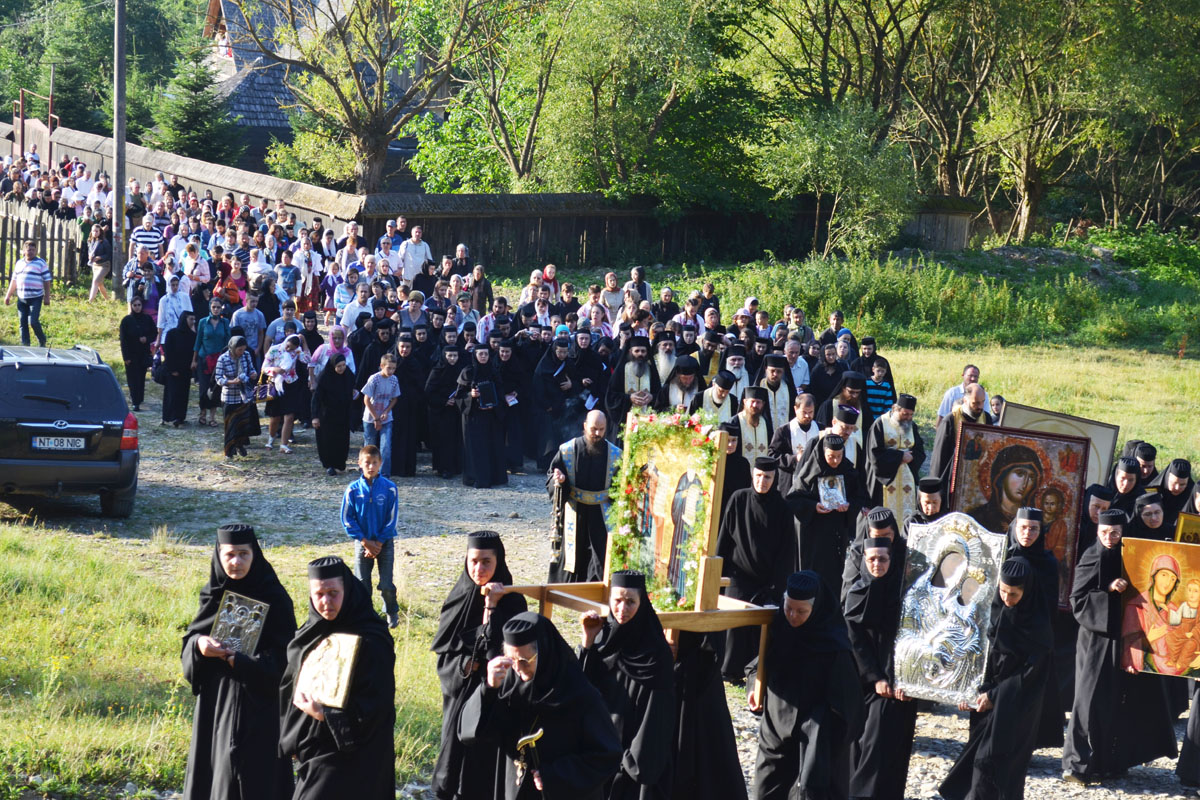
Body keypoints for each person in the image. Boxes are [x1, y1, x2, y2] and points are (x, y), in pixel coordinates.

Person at [182, 524, 296, 800]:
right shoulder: (213, 595)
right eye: (230, 554)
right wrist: (199, 646)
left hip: (260, 708)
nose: (237, 562)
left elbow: (289, 659)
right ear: (219, 555)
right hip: (216, 705)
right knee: (215, 776)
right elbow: (190, 643)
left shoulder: (275, 598)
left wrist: (247, 663)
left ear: (255, 554)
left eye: (244, 554)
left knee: (258, 781)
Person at [1062, 509, 1177, 783]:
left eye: (1115, 533)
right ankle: (1075, 765)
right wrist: (1108, 591)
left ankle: (1109, 762)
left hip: (1124, 640)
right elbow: (1077, 599)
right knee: (1086, 701)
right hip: (1095, 641)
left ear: (1123, 531)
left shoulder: (1131, 555)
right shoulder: (1091, 556)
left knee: (1116, 700)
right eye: (1104, 533)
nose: (1110, 538)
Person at [458, 612, 623, 799]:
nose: (518, 669)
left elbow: (608, 755)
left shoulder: (581, 696)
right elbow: (470, 733)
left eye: (524, 661)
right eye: (511, 661)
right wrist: (488, 688)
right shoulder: (508, 685)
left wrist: (556, 775)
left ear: (543, 654)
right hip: (515, 786)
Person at [279, 556, 395, 799]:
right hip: (313, 750)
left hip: (357, 759)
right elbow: (289, 689)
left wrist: (324, 714)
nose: (326, 602)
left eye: (333, 593)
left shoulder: (373, 639)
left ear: (348, 590)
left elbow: (377, 707)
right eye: (319, 594)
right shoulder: (307, 635)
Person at [939, 557, 1054, 800]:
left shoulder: (1038, 626)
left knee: (998, 766)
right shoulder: (993, 611)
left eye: (1013, 594)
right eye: (1003, 591)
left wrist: (995, 695)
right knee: (978, 763)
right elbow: (977, 655)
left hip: (1016, 707)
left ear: (1027, 591)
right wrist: (969, 693)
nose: (1007, 599)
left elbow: (1031, 674)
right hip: (987, 699)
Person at [747, 571, 863, 800]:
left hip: (812, 740)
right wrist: (754, 686)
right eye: (789, 607)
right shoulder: (779, 627)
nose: (792, 616)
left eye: (801, 612)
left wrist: (822, 731)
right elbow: (757, 665)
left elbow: (849, 707)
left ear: (816, 608)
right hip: (775, 730)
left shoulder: (834, 647)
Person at [432, 532, 529, 800]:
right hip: (462, 696)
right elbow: (444, 658)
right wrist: (467, 664)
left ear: (499, 561)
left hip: (497, 701)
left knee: (487, 771)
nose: (479, 569)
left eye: (486, 561)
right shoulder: (459, 599)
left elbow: (510, 652)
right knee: (457, 763)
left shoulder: (514, 602)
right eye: (473, 561)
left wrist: (493, 610)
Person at [578, 570, 675, 800]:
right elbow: (580, 686)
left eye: (631, 601)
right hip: (598, 746)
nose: (622, 609)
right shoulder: (603, 637)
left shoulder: (656, 653)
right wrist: (587, 642)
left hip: (632, 756)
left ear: (642, 603)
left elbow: (656, 715)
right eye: (617, 600)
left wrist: (631, 761)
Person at [843, 534, 915, 800]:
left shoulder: (903, 592)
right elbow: (854, 641)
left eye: (883, 559)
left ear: (891, 559)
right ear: (864, 559)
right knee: (869, 744)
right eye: (872, 559)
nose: (877, 564)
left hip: (901, 682)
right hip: (869, 683)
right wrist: (875, 677)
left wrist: (904, 679)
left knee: (895, 745)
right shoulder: (857, 592)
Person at [717, 456, 796, 682]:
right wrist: (718, 572)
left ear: (775, 478)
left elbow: (786, 552)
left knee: (760, 628)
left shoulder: (782, 508)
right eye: (759, 476)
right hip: (738, 574)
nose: (762, 481)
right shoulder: (738, 499)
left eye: (768, 477)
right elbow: (725, 538)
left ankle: (753, 671)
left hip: (767, 577)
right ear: (753, 475)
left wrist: (776, 585)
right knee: (734, 625)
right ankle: (729, 670)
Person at [548, 411, 622, 582]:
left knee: (600, 556)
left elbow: (621, 485)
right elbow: (553, 476)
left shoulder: (615, 454)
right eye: (594, 429)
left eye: (601, 430)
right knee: (572, 555)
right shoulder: (567, 450)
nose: (597, 434)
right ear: (584, 426)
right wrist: (559, 480)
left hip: (602, 512)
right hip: (575, 509)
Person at [789, 434, 868, 592]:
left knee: (833, 576)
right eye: (831, 457)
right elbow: (793, 499)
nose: (835, 461)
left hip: (836, 532)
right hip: (813, 535)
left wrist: (849, 506)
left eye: (839, 456)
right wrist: (813, 506)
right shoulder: (810, 471)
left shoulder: (847, 470)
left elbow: (860, 496)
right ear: (823, 453)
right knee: (812, 575)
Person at [341, 445, 400, 627]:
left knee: (387, 584)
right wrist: (365, 542)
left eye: (375, 463)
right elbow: (347, 518)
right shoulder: (352, 490)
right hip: (362, 542)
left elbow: (392, 518)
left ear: (381, 463)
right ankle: (365, 616)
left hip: (385, 543)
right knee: (361, 583)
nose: (371, 466)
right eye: (367, 462)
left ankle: (391, 612)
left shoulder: (390, 489)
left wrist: (379, 543)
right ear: (359, 463)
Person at [864, 394, 925, 523]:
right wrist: (900, 456)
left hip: (906, 480)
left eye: (911, 415)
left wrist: (911, 458)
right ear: (895, 409)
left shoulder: (912, 426)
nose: (908, 418)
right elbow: (874, 455)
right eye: (905, 414)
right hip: (884, 481)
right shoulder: (880, 424)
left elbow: (920, 451)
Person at [458, 345, 508, 489]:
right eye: (481, 354)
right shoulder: (468, 372)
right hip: (474, 417)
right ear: (475, 355)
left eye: (486, 354)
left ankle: (494, 477)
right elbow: (459, 396)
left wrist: (495, 404)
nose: (484, 357)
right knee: (476, 448)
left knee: (492, 446)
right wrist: (470, 396)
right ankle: (475, 478)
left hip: (491, 416)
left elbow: (500, 392)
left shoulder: (494, 371)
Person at [929, 382, 991, 485]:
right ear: (965, 400)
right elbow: (939, 458)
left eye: (982, 402)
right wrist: (936, 488)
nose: (980, 407)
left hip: (978, 478)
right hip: (954, 479)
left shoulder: (986, 418)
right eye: (975, 403)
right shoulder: (950, 420)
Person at [262, 334, 311, 454]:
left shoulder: (297, 351)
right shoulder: (274, 349)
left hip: (291, 384)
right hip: (276, 383)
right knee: (275, 416)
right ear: (286, 342)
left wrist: (304, 342)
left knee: (289, 416)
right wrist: (275, 370)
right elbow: (264, 368)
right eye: (288, 346)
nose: (289, 349)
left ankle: (284, 444)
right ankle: (271, 438)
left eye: (292, 348)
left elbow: (307, 359)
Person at [214, 335, 261, 458]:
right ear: (232, 348)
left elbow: (251, 369)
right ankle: (229, 451)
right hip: (230, 396)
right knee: (230, 425)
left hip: (244, 395)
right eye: (239, 350)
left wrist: (253, 374)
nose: (241, 352)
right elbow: (218, 378)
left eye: (243, 349)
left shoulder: (246, 355)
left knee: (243, 423)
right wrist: (231, 382)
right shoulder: (223, 359)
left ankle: (240, 444)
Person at [605, 336, 661, 435]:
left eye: (643, 351)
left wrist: (652, 397)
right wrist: (629, 398)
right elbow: (611, 397)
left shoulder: (651, 370)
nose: (640, 354)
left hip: (648, 423)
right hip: (625, 423)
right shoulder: (622, 370)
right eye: (637, 351)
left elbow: (660, 395)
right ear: (630, 351)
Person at [426, 346, 466, 479]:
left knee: (456, 439)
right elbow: (429, 392)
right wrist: (444, 401)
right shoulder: (437, 371)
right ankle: (443, 467)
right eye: (450, 356)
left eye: (455, 356)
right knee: (443, 440)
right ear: (444, 356)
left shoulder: (461, 370)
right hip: (441, 413)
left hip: (457, 410)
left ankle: (456, 466)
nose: (453, 359)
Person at [311, 354, 355, 474]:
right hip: (326, 415)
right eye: (339, 366)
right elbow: (316, 398)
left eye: (343, 365)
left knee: (342, 439)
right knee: (327, 440)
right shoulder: (325, 377)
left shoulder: (348, 375)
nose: (341, 368)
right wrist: (315, 416)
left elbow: (352, 389)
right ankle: (329, 465)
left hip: (343, 414)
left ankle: (340, 463)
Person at [5, 240, 52, 346]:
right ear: (23, 250)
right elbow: (14, 280)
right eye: (28, 249)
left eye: (32, 250)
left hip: (36, 297)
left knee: (33, 321)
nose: (30, 252)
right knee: (22, 322)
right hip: (21, 298)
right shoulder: (19, 263)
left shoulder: (40, 263)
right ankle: (25, 344)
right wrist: (8, 295)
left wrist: (47, 297)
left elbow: (47, 280)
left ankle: (42, 340)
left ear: (36, 251)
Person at [119, 295, 156, 412]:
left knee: (141, 377)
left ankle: (139, 399)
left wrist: (147, 339)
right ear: (131, 306)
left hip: (143, 353)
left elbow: (154, 333)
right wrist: (126, 357)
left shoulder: (147, 319)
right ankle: (135, 401)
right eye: (135, 305)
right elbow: (123, 340)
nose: (137, 307)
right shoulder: (126, 321)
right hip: (131, 354)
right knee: (132, 379)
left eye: (139, 305)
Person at [162, 311, 197, 426]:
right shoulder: (172, 334)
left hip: (185, 371)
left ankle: (180, 417)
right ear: (184, 319)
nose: (193, 322)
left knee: (183, 394)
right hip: (173, 370)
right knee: (172, 394)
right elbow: (168, 352)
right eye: (190, 319)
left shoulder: (192, 336)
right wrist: (172, 369)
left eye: (193, 319)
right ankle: (169, 416)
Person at [1149, 458, 1194, 532]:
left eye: (1182, 484)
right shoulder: (1153, 491)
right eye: (1174, 483)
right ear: (1167, 478)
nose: (1177, 488)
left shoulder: (1192, 495)